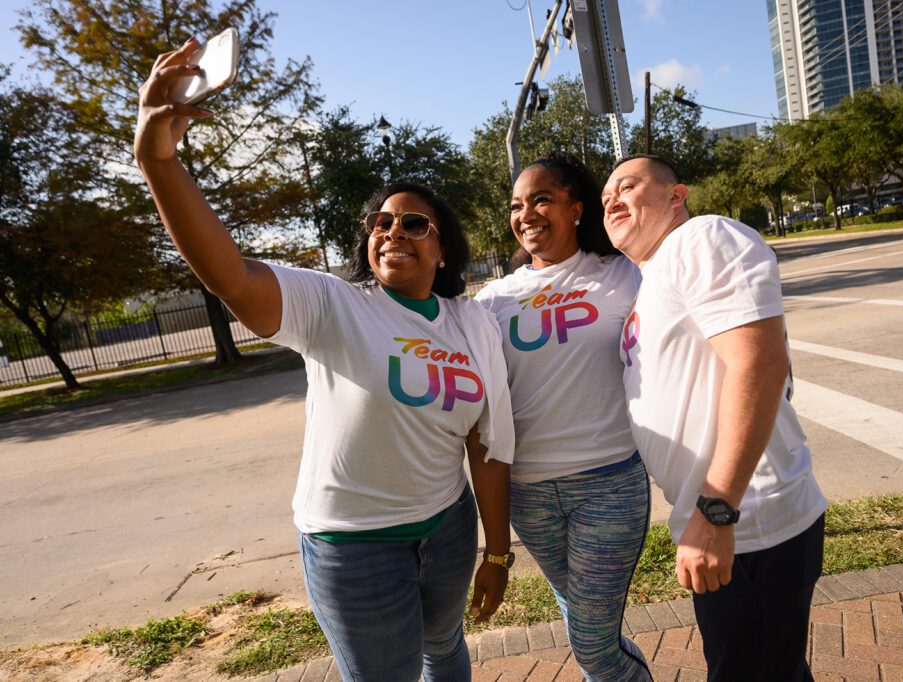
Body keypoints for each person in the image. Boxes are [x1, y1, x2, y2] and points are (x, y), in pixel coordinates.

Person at [134, 38, 515, 682]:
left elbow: (487, 442)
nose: (394, 230)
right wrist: (160, 161)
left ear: (444, 249)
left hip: (448, 531)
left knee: (445, 648)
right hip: (355, 549)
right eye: (381, 223)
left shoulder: (470, 321)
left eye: (415, 224)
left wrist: (497, 554)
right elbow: (230, 275)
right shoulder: (333, 305)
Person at [602, 155, 828, 682]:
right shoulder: (652, 277)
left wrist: (717, 509)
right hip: (725, 521)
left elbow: (760, 363)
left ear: (675, 197)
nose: (611, 199)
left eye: (628, 186)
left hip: (749, 520)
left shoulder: (702, 238)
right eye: (605, 195)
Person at [476, 152, 652, 681]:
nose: (526, 213)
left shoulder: (624, 274)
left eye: (541, 199)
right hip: (528, 495)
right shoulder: (490, 300)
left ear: (576, 208)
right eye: (516, 205)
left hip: (609, 484)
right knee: (586, 624)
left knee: (592, 645)